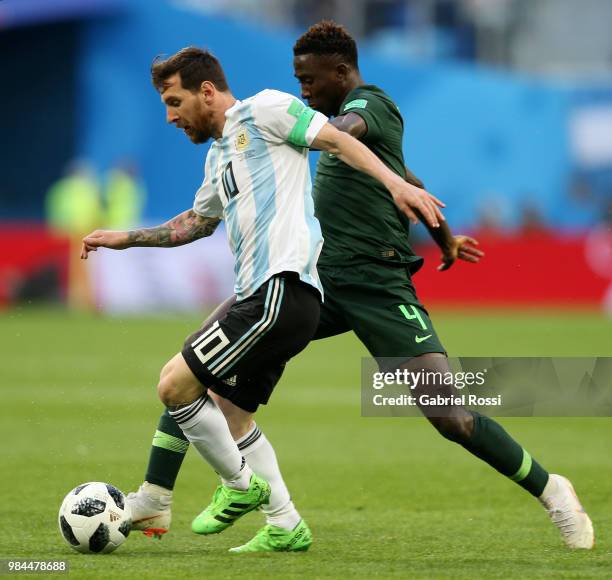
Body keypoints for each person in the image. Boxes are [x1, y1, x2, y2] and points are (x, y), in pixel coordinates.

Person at [124, 22, 595, 554]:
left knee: (451, 416)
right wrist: (444, 237)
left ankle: (552, 489)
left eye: (310, 79)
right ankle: (234, 510)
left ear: (341, 72)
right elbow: (407, 178)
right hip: (312, 277)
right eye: (296, 80)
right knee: (206, 371)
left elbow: (350, 134)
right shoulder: (315, 131)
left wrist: (319, 131)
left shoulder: (374, 105)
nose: (303, 89)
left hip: (376, 283)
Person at [81, 46, 444, 553]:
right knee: (230, 411)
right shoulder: (218, 155)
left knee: (174, 385)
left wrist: (395, 183)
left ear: (206, 90)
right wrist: (127, 238)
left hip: (283, 288)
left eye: (173, 101)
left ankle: (230, 486)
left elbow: (337, 140)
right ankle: (284, 522)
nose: (169, 116)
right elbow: (195, 223)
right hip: (266, 296)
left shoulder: (267, 109)